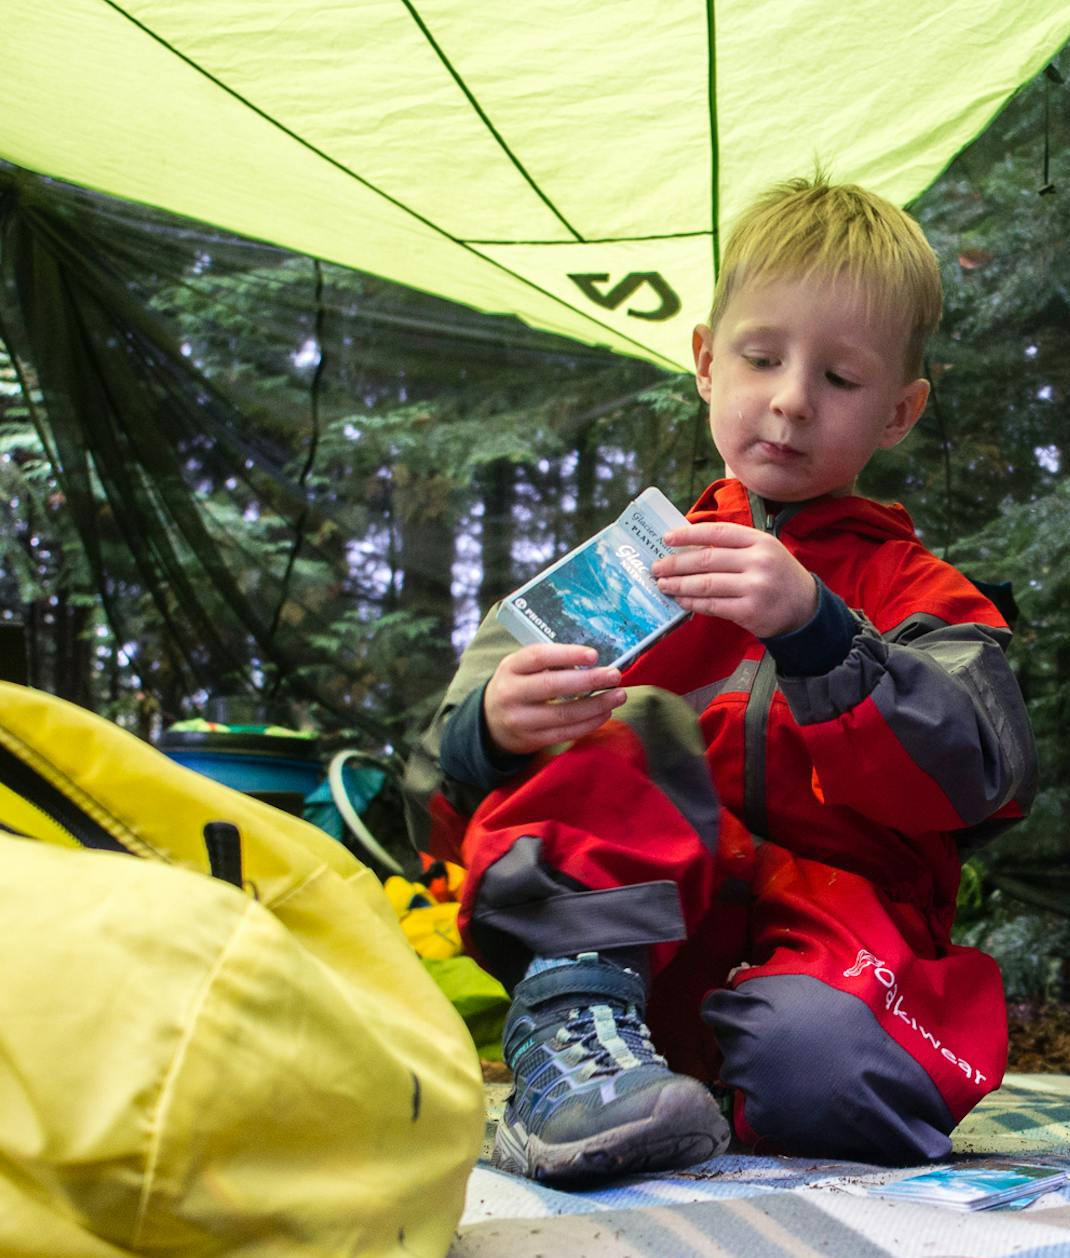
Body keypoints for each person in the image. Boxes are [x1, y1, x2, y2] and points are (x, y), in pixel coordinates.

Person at [406, 176, 1037, 1187]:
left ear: (898, 413)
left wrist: (823, 632)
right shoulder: (633, 571)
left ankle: (701, 1099)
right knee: (629, 723)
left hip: (837, 943)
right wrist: (491, 725)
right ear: (706, 362)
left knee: (823, 1078)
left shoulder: (923, 595)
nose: (790, 399)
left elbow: (984, 777)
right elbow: (431, 792)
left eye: (839, 377)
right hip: (638, 953)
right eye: (760, 357)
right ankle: (578, 1056)